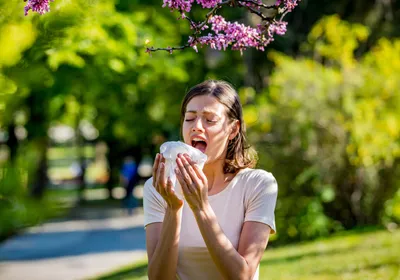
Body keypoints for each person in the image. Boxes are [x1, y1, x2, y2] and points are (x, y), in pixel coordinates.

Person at [143, 80, 278, 280]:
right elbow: (159, 278)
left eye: (210, 120)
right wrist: (174, 208)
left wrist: (201, 207)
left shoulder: (258, 185)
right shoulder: (158, 188)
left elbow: (243, 276)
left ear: (233, 130)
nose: (197, 127)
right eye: (189, 119)